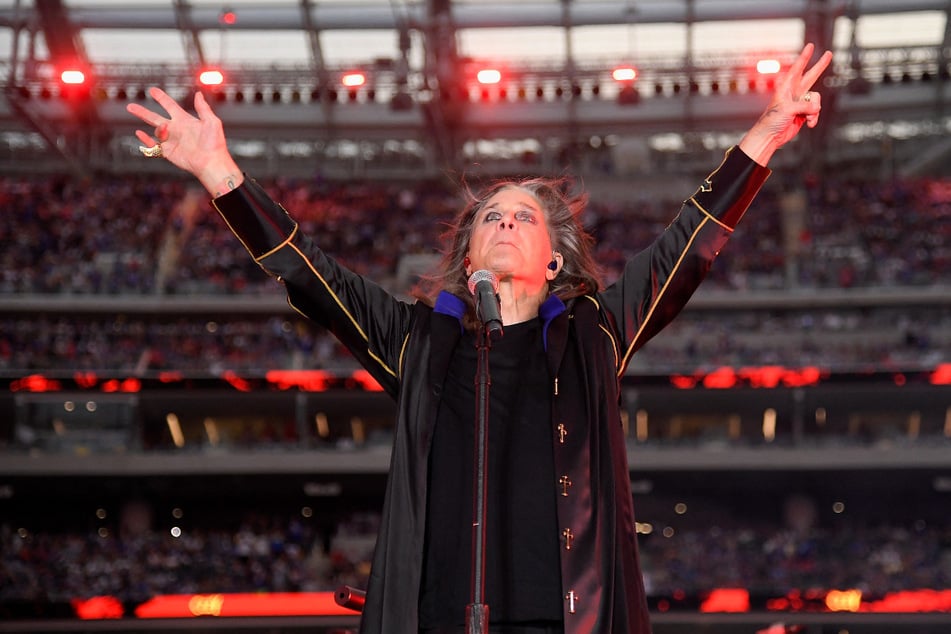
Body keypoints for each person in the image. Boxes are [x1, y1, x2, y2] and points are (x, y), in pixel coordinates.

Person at [128, 44, 832, 634]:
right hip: (434, 617)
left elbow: (688, 248)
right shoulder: (415, 342)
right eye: (490, 216)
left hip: (566, 619)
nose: (502, 222)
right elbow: (310, 276)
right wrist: (219, 174)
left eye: (522, 217)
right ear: (468, 259)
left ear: (553, 261)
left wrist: (763, 137)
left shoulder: (595, 337)